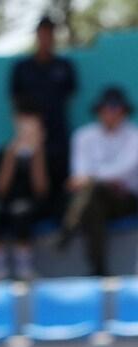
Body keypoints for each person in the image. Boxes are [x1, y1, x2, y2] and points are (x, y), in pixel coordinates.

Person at [59, 85, 138, 277]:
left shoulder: (135, 135)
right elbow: (79, 170)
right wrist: (93, 180)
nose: (111, 113)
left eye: (115, 108)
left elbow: (124, 170)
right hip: (94, 200)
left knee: (89, 197)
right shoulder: (83, 136)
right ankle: (99, 270)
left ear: (123, 111)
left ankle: (68, 229)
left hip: (126, 199)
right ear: (99, 110)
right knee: (93, 203)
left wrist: (91, 178)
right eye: (107, 108)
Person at [0, 106, 52, 280]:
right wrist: (11, 155)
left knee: (21, 211)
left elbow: (41, 189)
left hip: (33, 204)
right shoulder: (3, 153)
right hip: (5, 201)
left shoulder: (46, 154)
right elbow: (0, 189)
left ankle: (24, 268)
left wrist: (38, 153)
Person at [9, 14, 77, 189]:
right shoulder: (22, 68)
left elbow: (69, 96)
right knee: (28, 188)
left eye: (49, 33)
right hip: (30, 139)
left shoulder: (64, 66)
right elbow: (15, 101)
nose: (46, 38)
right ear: (37, 35)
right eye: (42, 33)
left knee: (60, 187)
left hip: (58, 138)